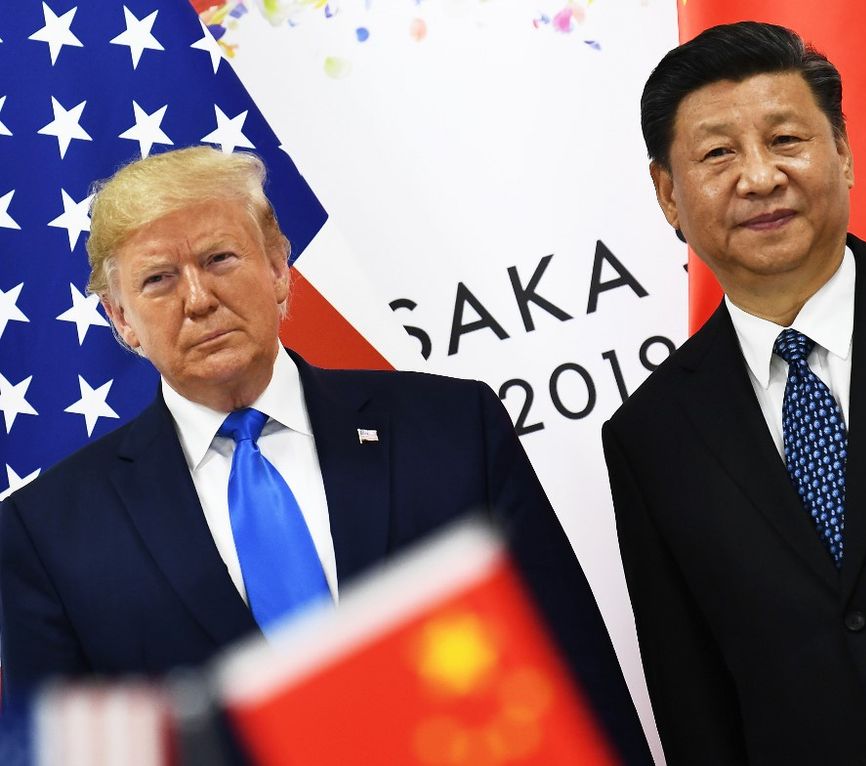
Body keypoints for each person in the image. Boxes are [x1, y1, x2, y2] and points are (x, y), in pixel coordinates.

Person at [0, 146, 651, 764]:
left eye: (220, 258)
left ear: (279, 268)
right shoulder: (48, 533)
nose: (197, 299)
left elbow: (574, 669)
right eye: (159, 280)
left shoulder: (452, 428)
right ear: (120, 319)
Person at [604, 20, 866, 766]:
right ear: (668, 195)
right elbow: (695, 702)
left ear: (844, 155)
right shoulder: (650, 436)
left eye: (786, 140)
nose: (758, 177)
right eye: (718, 153)